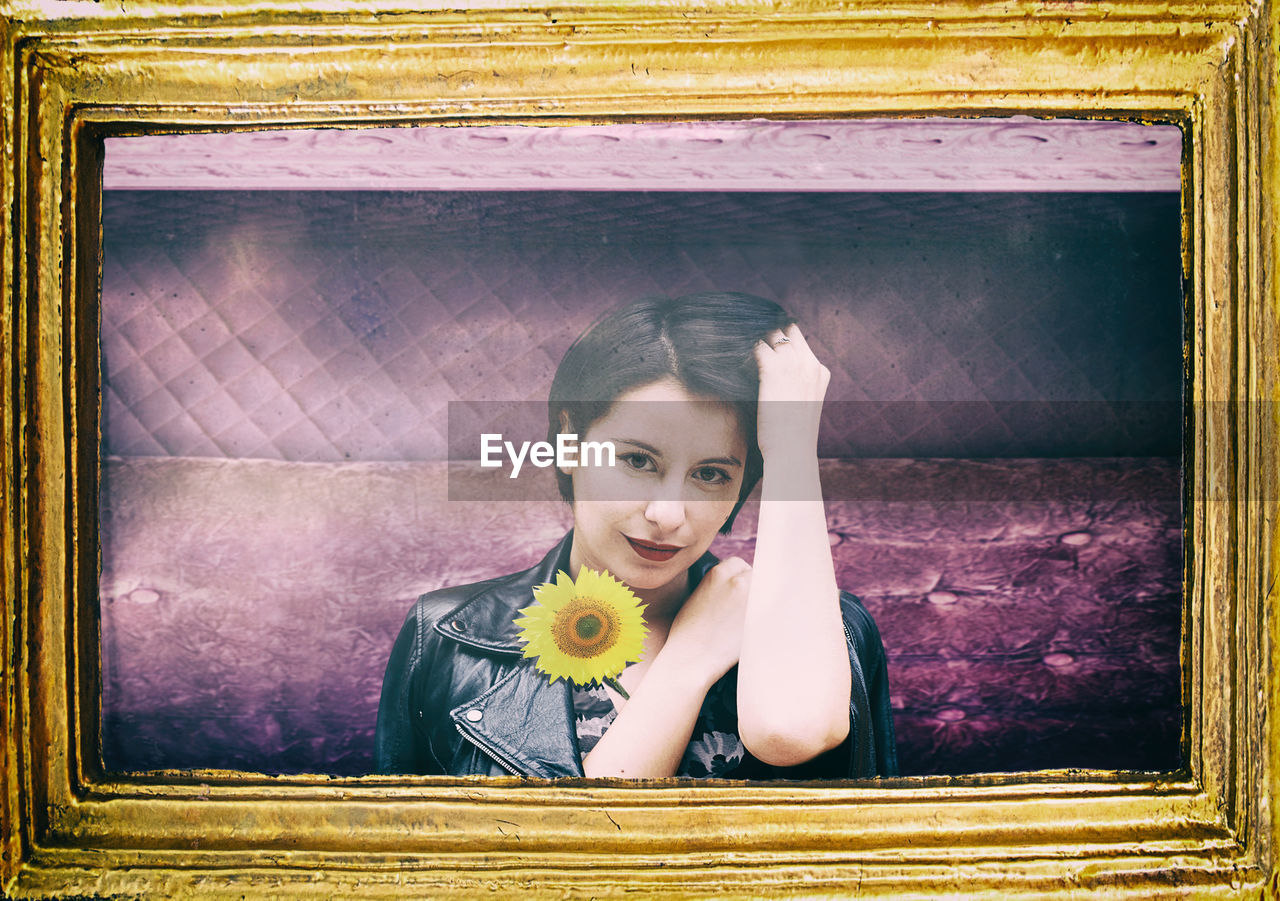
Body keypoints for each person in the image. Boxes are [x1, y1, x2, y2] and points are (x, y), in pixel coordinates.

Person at [374, 292, 897, 779]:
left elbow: (791, 730)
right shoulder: (443, 634)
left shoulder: (833, 632)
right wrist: (689, 661)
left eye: (711, 474)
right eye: (638, 460)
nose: (668, 514)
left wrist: (792, 448)